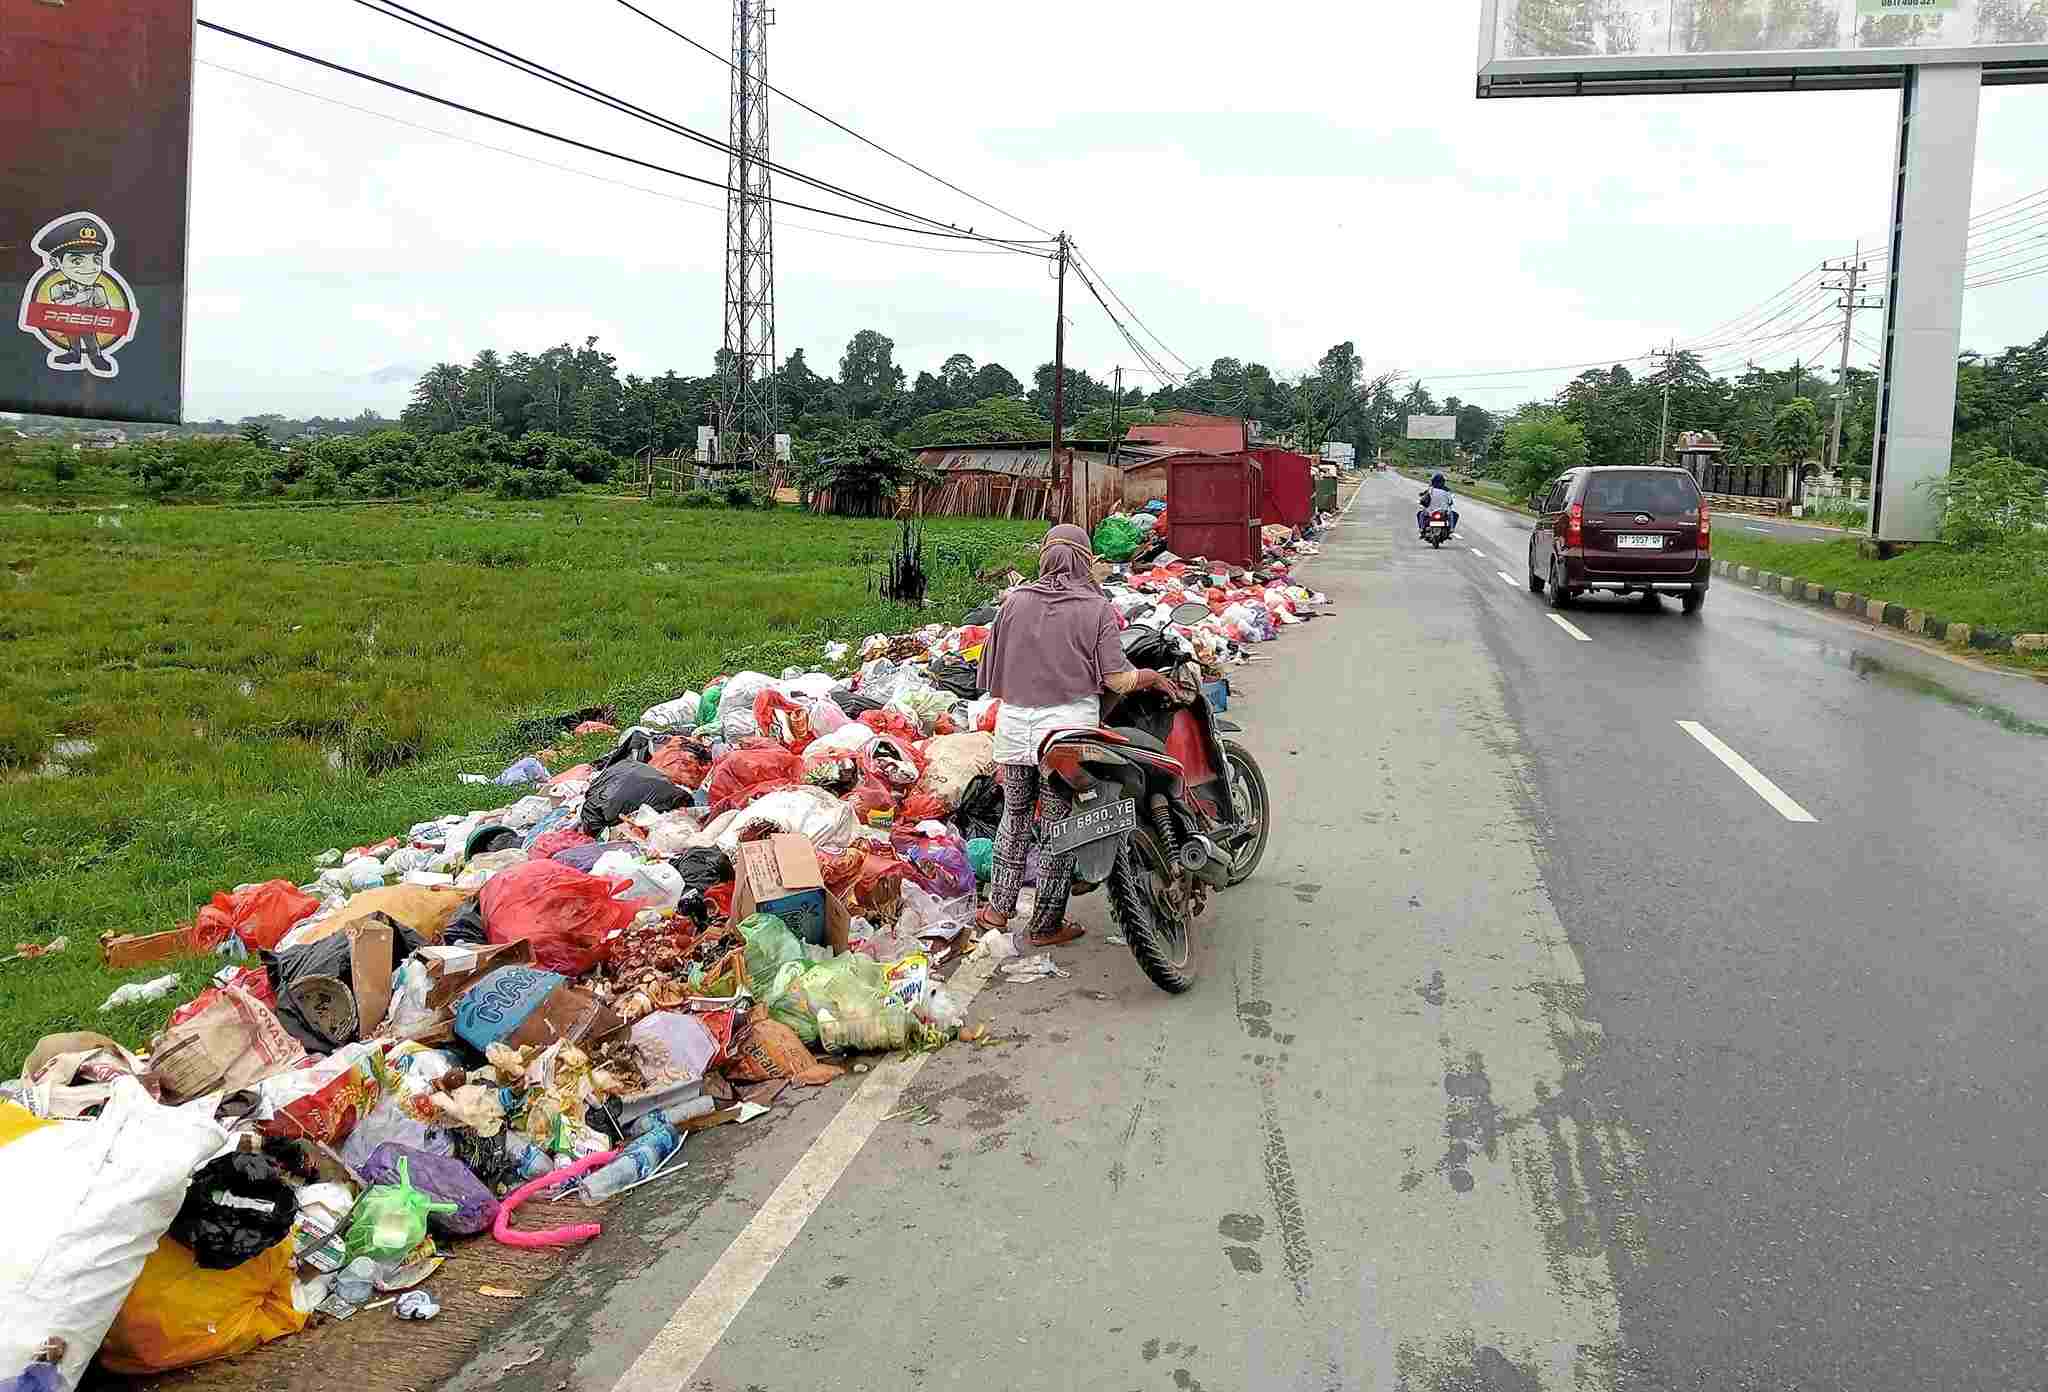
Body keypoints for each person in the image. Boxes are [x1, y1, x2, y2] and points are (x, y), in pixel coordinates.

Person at [975, 523, 1177, 947]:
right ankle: (1046, 923)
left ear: (1046, 555)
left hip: (1014, 726)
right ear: (1084, 559)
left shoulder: (1013, 602)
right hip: (1065, 737)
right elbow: (1118, 679)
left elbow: (988, 671)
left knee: (1013, 817)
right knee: (1055, 825)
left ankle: (997, 910)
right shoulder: (1096, 607)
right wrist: (1151, 677)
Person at [1418, 472, 1458, 538]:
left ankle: (1422, 528)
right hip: (1443, 511)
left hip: (1430, 511)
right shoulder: (1447, 491)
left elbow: (1423, 499)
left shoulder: (1430, 489)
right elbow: (1450, 502)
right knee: (1453, 514)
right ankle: (1451, 528)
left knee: (1421, 514)